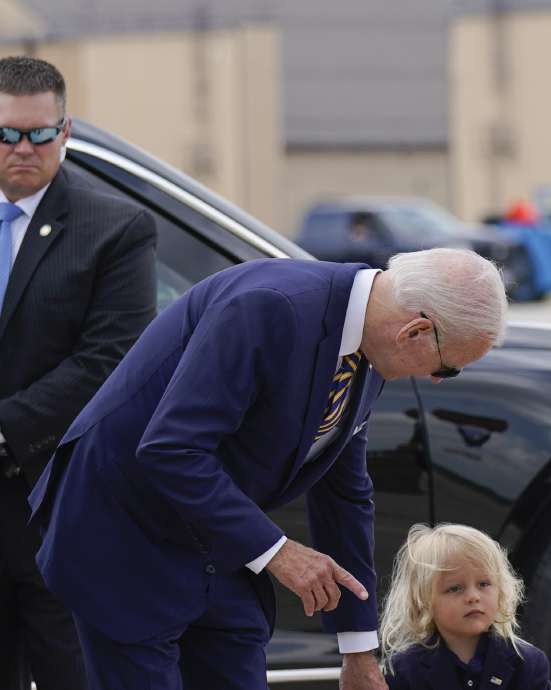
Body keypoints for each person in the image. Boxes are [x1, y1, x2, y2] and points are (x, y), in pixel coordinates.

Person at [28, 248, 507, 689]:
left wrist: (358, 649)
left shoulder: (368, 346)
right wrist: (279, 553)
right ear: (415, 332)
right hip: (124, 532)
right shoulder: (270, 305)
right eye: (448, 367)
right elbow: (171, 449)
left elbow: (344, 492)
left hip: (216, 540)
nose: (434, 380)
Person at [0, 56, 156, 690]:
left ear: (66, 132)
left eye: (40, 133)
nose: (23, 148)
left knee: (69, 672)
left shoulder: (114, 228)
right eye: (7, 133)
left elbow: (110, 361)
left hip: (51, 504)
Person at [379, 523, 551, 690]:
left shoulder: (528, 663)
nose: (473, 597)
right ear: (422, 601)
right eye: (455, 588)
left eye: (483, 584)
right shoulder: (404, 670)